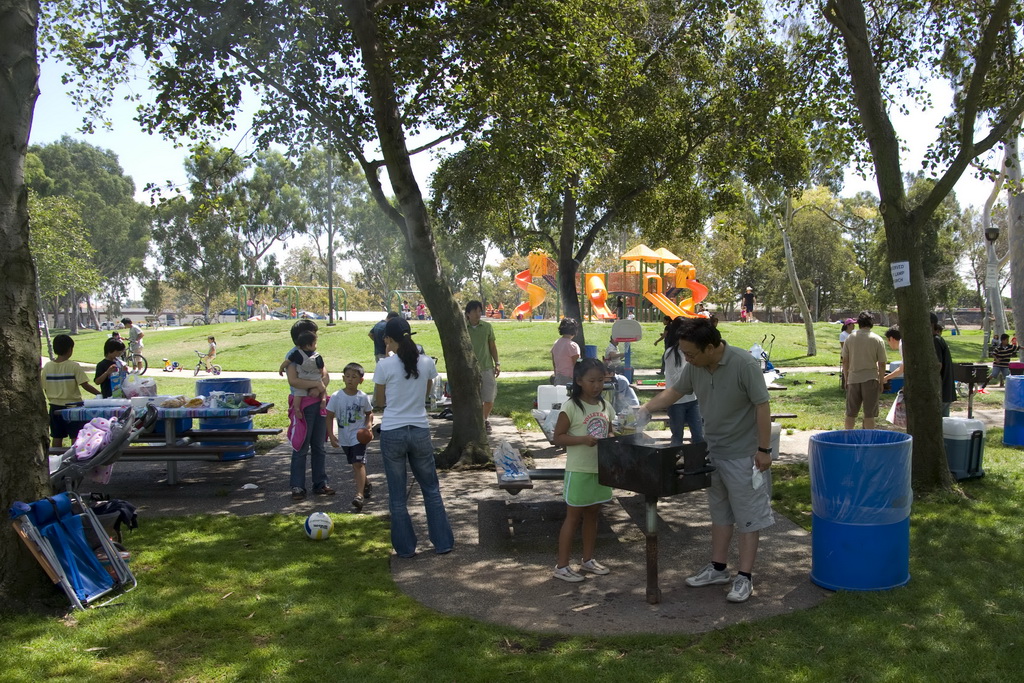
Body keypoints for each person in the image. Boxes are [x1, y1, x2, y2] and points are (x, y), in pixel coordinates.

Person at [637, 317, 772, 603]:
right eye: (684, 353)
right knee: (720, 514)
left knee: (748, 517)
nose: (687, 358)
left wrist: (764, 449)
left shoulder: (744, 364)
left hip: (744, 455)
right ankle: (718, 568)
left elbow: (762, 406)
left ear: (710, 347)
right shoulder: (695, 366)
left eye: (690, 354)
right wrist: (645, 409)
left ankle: (745, 577)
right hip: (714, 451)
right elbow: (675, 392)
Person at [373, 316, 454, 558]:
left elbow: (379, 401)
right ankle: (442, 542)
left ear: (388, 339)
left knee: (397, 496)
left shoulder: (385, 365)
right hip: (419, 429)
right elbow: (427, 392)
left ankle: (406, 548)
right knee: (431, 489)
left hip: (393, 430)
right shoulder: (426, 362)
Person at [552, 358, 615, 582]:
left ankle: (587, 560)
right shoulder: (571, 407)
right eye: (591, 381)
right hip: (578, 470)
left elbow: (609, 431)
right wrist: (582, 439)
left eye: (601, 380)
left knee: (593, 514)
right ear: (579, 381)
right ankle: (561, 566)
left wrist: (610, 438)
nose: (597, 385)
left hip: (599, 470)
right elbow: (558, 437)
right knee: (573, 517)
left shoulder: (605, 406)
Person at [285, 329, 333, 500]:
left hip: (318, 404)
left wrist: (319, 388)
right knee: (301, 446)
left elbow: (325, 376)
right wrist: (316, 385)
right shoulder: (294, 357)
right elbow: (294, 381)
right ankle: (297, 486)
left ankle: (320, 483)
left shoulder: (316, 356)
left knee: (319, 446)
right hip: (303, 406)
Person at [326, 363, 374, 511]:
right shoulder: (336, 397)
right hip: (344, 438)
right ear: (343, 378)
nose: (350, 379)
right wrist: (331, 435)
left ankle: (359, 496)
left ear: (361, 380)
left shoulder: (362, 397)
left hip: (358, 437)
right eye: (347, 376)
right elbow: (329, 416)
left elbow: (369, 413)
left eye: (354, 377)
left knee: (358, 463)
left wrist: (368, 426)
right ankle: (366, 484)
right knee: (355, 464)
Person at [41, 334, 102, 447]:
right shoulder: (74, 366)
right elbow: (85, 385)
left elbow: (44, 387)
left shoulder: (47, 367)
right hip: (73, 407)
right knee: (76, 436)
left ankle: (56, 456)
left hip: (54, 406)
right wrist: (100, 394)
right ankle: (75, 456)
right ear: (70, 349)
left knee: (57, 436)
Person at [841, 311, 888, 430]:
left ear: (859, 323)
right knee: (869, 414)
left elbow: (845, 361)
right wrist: (881, 381)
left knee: (850, 414)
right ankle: (868, 439)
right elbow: (882, 363)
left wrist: (846, 378)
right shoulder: (877, 339)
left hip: (853, 379)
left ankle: (848, 438)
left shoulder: (850, 338)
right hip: (870, 378)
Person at [662, 321, 704, 446]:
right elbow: (676, 378)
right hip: (676, 402)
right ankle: (675, 457)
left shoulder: (694, 350)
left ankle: (699, 457)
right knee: (677, 437)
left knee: (698, 435)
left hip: (693, 400)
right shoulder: (670, 353)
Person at [465, 300, 500, 432]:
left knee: (489, 397)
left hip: (486, 367)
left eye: (480, 311)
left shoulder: (487, 327)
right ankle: (480, 422)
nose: (478, 314)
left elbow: (492, 347)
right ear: (468, 314)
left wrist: (497, 363)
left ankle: (484, 419)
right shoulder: (463, 329)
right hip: (469, 369)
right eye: (475, 311)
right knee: (474, 399)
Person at [932, 313, 956, 416]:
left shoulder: (935, 341)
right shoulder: (939, 339)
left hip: (941, 391)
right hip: (944, 391)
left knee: (940, 421)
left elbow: (938, 365)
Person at [550, 317, 580, 385]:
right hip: (570, 380)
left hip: (558, 378)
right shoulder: (573, 346)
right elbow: (577, 365)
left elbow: (554, 362)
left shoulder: (556, 343)